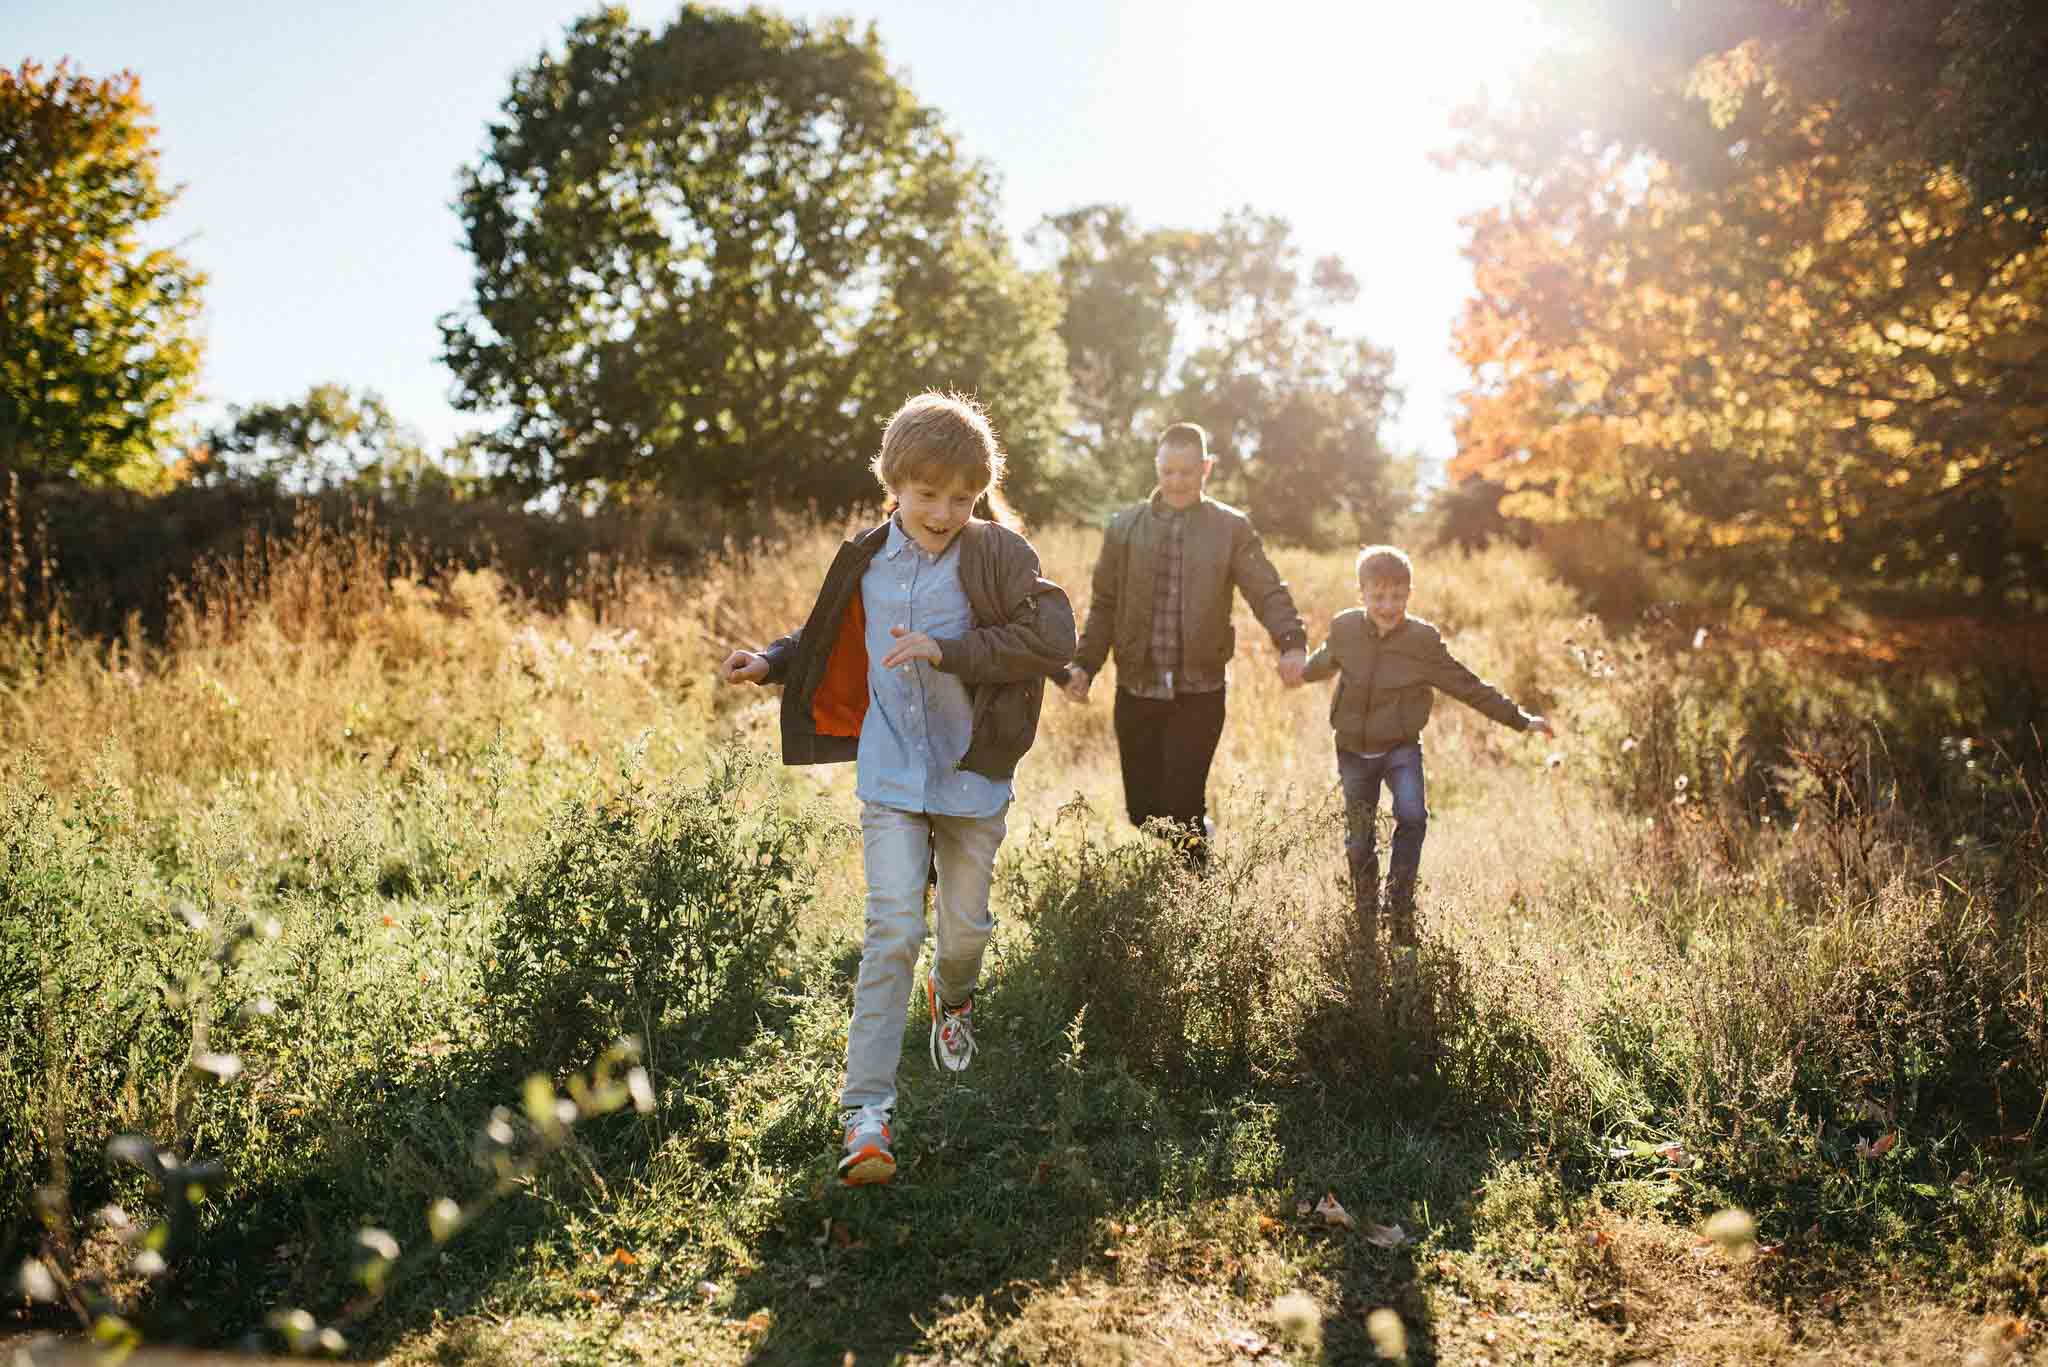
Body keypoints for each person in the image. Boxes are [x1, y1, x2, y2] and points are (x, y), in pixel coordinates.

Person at [718, 392, 1075, 1186]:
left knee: (963, 934)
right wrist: (772, 661)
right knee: (890, 933)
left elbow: (1054, 637)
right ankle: (866, 1116)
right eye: (927, 494)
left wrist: (950, 651)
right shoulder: (867, 555)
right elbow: (828, 631)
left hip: (971, 773)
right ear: (893, 481)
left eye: (962, 496)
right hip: (889, 771)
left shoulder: (997, 553)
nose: (945, 511)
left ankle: (955, 1000)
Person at [1059, 422, 1306, 866]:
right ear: (1156, 467)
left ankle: (1196, 894)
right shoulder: (1124, 528)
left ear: (1206, 468)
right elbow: (1105, 605)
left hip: (1200, 691)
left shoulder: (1230, 529)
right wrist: (1084, 665)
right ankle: (1198, 842)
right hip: (1137, 687)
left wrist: (1290, 642)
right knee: (1143, 812)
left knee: (1182, 803)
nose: (1176, 481)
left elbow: (1266, 590)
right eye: (1167, 471)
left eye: (1187, 472)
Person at [1301, 544, 1556, 955]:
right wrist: (1298, 669)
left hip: (1400, 747)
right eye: (1379, 596)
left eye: (1398, 596)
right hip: (1352, 750)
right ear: (1361, 592)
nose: (1389, 605)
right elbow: (1323, 661)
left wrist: (1521, 719)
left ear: (1409, 593)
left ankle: (1398, 906)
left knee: (1413, 815)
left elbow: (1466, 684)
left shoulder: (1422, 641)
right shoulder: (1345, 628)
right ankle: (1365, 920)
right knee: (1359, 839)